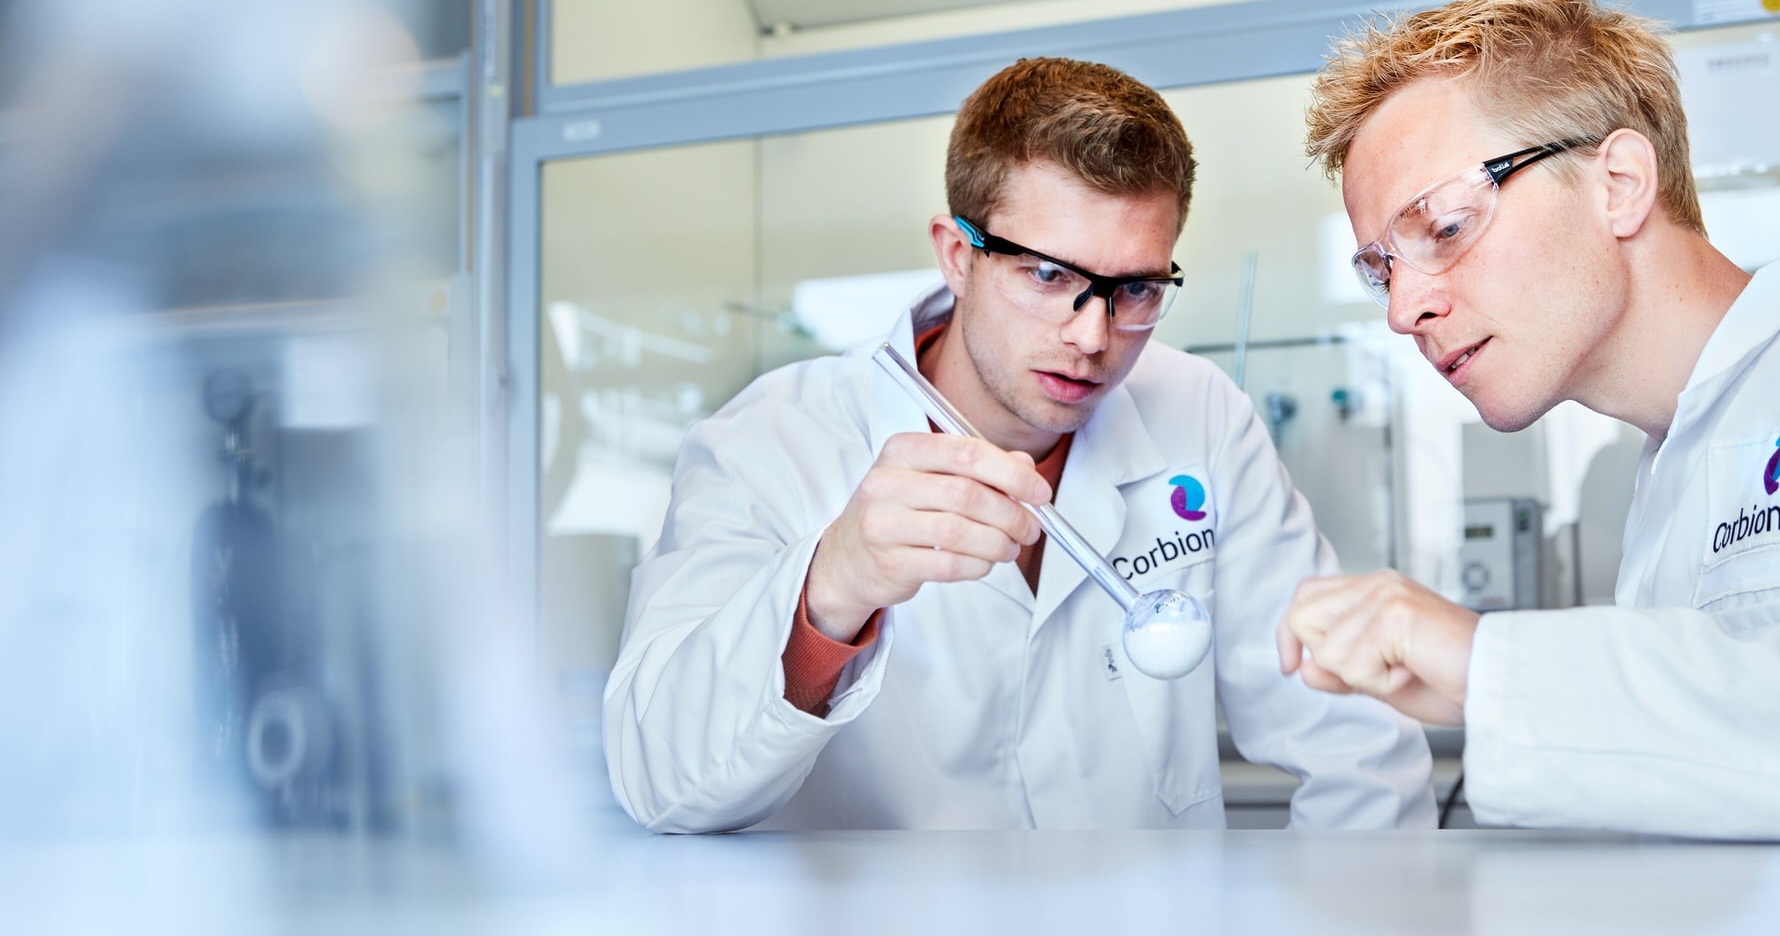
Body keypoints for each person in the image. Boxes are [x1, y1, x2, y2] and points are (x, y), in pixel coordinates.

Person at [604, 57, 1435, 832]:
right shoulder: (774, 439)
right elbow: (660, 782)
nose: (1092, 336)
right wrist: (833, 584)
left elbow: (1351, 742)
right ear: (957, 254)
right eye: (1048, 276)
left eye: (1135, 288)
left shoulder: (1197, 412)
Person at [1280, 0, 1780, 840]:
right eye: (1379, 270)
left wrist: (1489, 667)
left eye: (1442, 228)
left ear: (1618, 182)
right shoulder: (1662, 473)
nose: (1403, 310)